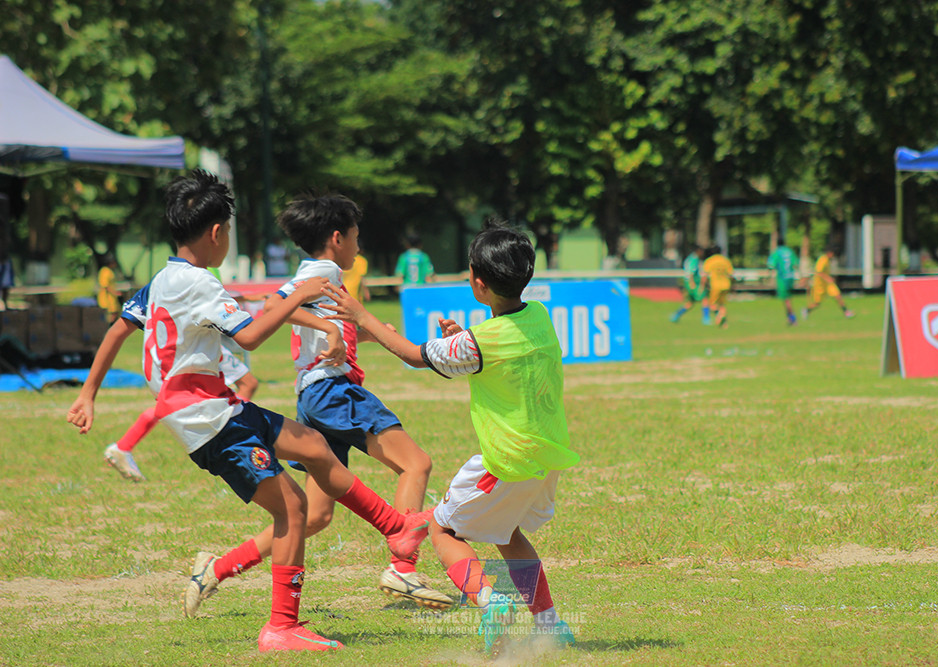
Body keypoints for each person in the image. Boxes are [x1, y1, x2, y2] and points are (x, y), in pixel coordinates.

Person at [90, 170, 431, 652]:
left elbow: (128, 327)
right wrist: (298, 296)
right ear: (216, 233)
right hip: (208, 419)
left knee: (313, 447)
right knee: (294, 509)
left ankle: (396, 528)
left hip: (217, 405)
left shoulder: (165, 280)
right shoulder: (203, 286)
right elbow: (249, 335)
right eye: (228, 230)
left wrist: (87, 395)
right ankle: (282, 628)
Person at [326, 221, 578, 654]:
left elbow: (412, 355)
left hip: (505, 462)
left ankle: (489, 600)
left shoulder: (479, 342)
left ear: (477, 283)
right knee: (507, 532)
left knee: (443, 530)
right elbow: (492, 353)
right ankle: (550, 626)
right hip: (545, 456)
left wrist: (362, 317)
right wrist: (462, 340)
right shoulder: (538, 317)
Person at [194, 192, 452, 613]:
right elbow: (274, 306)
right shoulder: (326, 270)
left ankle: (217, 568)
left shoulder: (314, 271)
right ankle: (403, 566)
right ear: (337, 238)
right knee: (416, 463)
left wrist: (360, 333)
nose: (358, 246)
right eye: (355, 237)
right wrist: (332, 331)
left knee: (314, 515)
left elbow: (317, 319)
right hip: (333, 391)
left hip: (314, 396)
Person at [68, 282, 260, 484]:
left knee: (173, 402)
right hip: (193, 346)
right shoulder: (191, 278)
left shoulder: (162, 282)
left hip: (167, 351)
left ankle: (123, 447)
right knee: (247, 383)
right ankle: (236, 434)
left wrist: (87, 394)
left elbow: (118, 330)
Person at [801, 247, 855, 319]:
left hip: (827, 284)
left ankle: (846, 312)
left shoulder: (827, 260)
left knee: (838, 295)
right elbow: (818, 272)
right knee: (817, 303)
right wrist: (828, 278)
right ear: (829, 253)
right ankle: (806, 310)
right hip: (820, 285)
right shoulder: (822, 259)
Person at [670, 246, 710, 324]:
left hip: (689, 282)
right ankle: (706, 319)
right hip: (694, 283)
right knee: (704, 298)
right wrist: (692, 284)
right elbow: (691, 272)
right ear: (698, 251)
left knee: (690, 302)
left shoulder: (690, 259)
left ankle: (676, 315)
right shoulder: (694, 260)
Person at [766, 237, 799, 326]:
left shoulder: (777, 252)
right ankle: (790, 318)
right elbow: (795, 263)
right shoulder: (789, 251)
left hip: (782, 278)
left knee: (786, 300)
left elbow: (771, 265)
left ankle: (793, 319)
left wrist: (768, 275)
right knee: (788, 299)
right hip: (791, 278)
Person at [700, 245, 734, 328]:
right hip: (726, 285)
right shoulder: (725, 261)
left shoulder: (709, 261)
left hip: (715, 285)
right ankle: (724, 324)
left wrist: (702, 286)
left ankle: (719, 315)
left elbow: (704, 276)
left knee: (711, 304)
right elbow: (731, 275)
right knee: (722, 304)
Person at [96, 254, 121, 324]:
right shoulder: (104, 271)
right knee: (111, 314)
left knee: (115, 313)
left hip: (112, 297)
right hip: (107, 297)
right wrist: (115, 292)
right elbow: (105, 285)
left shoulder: (110, 271)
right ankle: (107, 328)